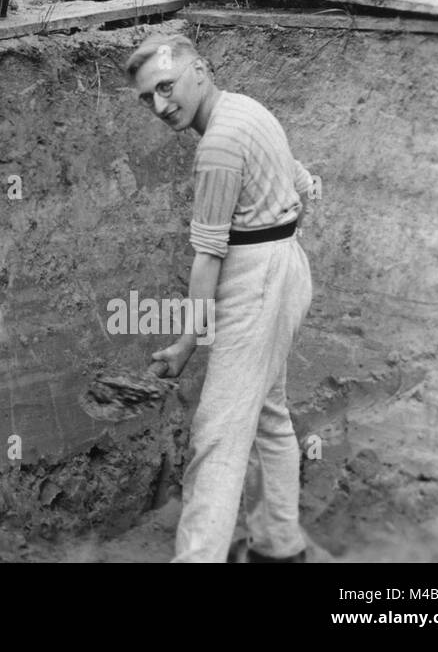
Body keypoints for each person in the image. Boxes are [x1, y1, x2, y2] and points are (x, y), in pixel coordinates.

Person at [125, 33, 317, 563]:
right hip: (284, 264)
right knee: (268, 412)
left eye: (166, 86)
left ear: (200, 71)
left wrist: (187, 342)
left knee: (218, 433)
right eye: (148, 97)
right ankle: (279, 546)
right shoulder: (246, 109)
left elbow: (208, 255)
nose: (161, 105)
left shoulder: (218, 146)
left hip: (256, 277)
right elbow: (301, 179)